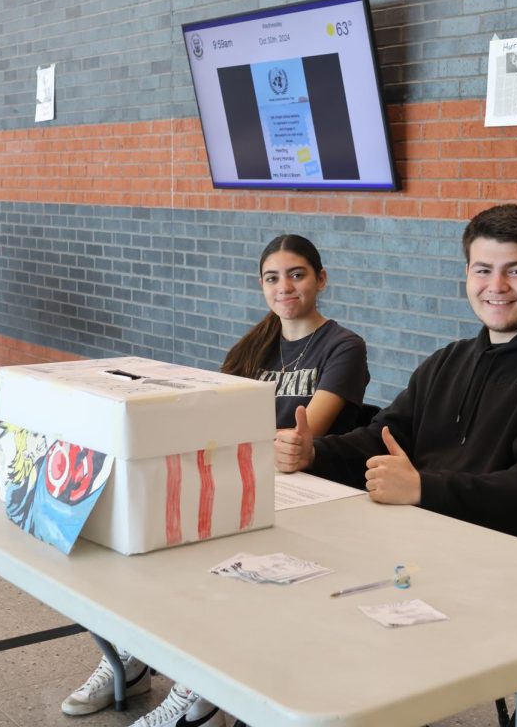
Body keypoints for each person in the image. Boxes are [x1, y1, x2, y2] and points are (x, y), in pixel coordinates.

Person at [61, 234, 369, 726]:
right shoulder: (254, 346)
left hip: (307, 493)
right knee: (154, 539)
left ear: (320, 280)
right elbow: (215, 419)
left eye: (297, 274)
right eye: (272, 278)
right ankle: (130, 656)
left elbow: (306, 432)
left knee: (205, 563)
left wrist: (247, 439)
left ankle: (198, 694)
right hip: (244, 475)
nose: (284, 287)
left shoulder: (343, 346)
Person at [276, 204, 517, 551]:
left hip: (506, 559)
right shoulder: (449, 360)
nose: (496, 286)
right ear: (467, 273)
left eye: (515, 271)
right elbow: (384, 438)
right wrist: (313, 454)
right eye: (484, 270)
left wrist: (422, 487)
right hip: (418, 538)